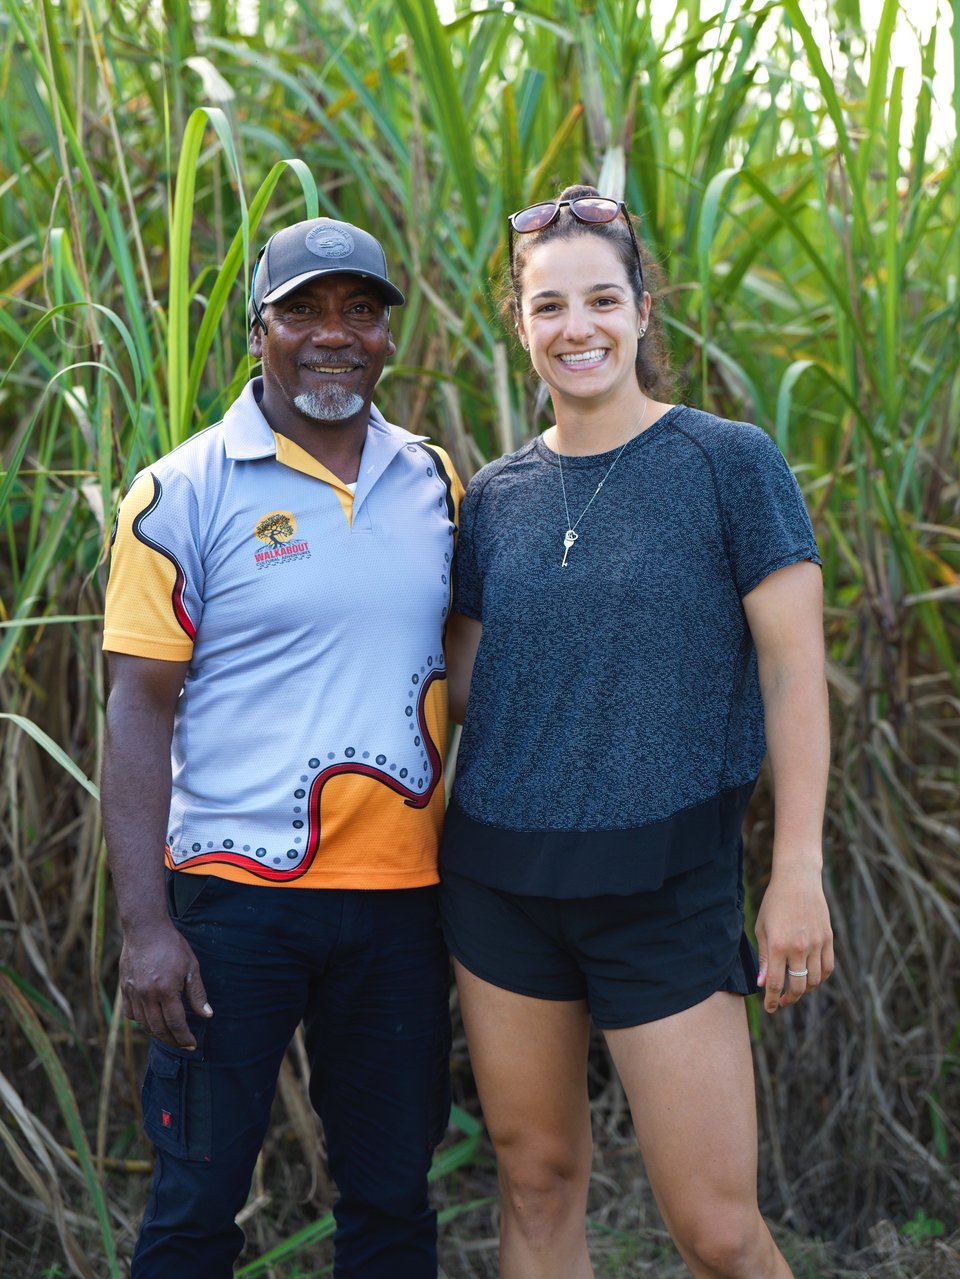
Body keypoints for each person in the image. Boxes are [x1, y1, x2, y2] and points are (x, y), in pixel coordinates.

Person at [441, 185, 834, 1279]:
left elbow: (797, 669)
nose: (579, 327)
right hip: (501, 882)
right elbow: (465, 679)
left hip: (666, 884)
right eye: (550, 305)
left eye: (602, 299)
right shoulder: (497, 499)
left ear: (644, 311)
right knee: (535, 1179)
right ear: (520, 326)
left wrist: (796, 868)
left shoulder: (727, 462)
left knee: (715, 1229)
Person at [100, 215, 463, 1279]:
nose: (331, 334)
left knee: (394, 1201)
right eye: (300, 309)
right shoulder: (181, 492)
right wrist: (145, 926)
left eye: (359, 309)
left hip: (402, 906)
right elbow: (137, 706)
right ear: (258, 330)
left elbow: (462, 667)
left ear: (389, 333)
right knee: (196, 1207)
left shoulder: (433, 481)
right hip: (229, 909)